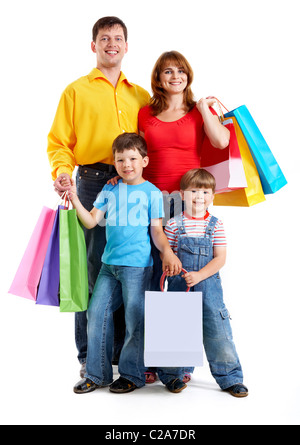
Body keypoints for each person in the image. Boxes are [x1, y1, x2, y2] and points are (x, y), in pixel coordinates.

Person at [47, 17, 150, 375]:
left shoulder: (140, 95)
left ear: (126, 45)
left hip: (135, 186)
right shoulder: (75, 91)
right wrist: (62, 173)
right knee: (92, 270)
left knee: (134, 267)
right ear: (94, 46)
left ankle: (127, 355)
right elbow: (59, 143)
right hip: (91, 182)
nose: (111, 43)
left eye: (118, 38)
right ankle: (91, 355)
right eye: (104, 38)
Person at [138, 50, 230, 384]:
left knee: (184, 282)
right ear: (158, 79)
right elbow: (137, 151)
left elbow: (221, 140)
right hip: (150, 202)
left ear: (188, 76)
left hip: (189, 203)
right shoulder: (145, 114)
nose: (174, 77)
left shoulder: (196, 112)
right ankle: (153, 360)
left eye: (180, 71)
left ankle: (179, 364)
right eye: (167, 72)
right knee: (152, 280)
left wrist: (204, 109)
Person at [69, 133, 184, 394]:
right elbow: (90, 221)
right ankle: (97, 375)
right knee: (96, 314)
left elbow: (156, 230)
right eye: (120, 160)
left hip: (137, 267)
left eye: (132, 158)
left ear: (144, 161)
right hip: (109, 266)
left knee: (135, 320)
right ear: (115, 162)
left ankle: (132, 374)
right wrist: (75, 197)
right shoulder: (109, 188)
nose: (126, 164)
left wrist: (167, 252)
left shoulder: (153, 193)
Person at [163, 168, 248, 398]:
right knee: (177, 328)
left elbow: (220, 258)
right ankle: (173, 374)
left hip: (208, 284)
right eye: (193, 191)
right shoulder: (173, 224)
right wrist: (173, 266)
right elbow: (168, 254)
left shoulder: (216, 224)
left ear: (212, 196)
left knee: (217, 330)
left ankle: (230, 377)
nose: (198, 196)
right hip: (181, 284)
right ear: (182, 195)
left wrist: (199, 275)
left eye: (204, 191)